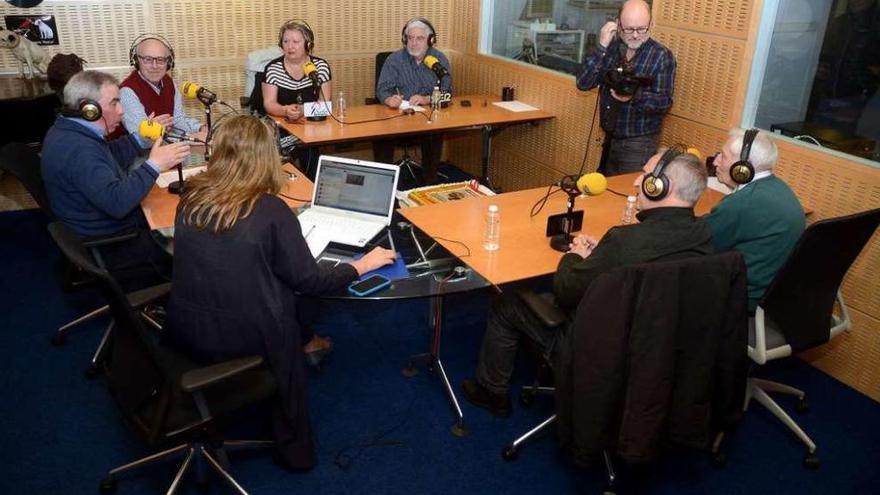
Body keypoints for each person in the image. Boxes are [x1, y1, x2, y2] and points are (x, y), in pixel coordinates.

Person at [165, 115, 396, 470]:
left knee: (282, 287)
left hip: (185, 327)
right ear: (265, 157)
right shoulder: (270, 210)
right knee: (297, 298)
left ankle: (308, 341)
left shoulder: (191, 195)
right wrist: (362, 265)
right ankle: (295, 449)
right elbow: (310, 282)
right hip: (243, 340)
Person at [461, 147, 712, 417]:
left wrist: (575, 256)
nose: (637, 182)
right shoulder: (705, 232)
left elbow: (566, 291)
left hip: (601, 347)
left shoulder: (624, 240)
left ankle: (491, 391)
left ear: (661, 187)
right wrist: (599, 257)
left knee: (506, 302)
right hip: (661, 347)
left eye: (646, 175)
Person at [41, 70, 191, 275]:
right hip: (113, 242)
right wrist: (155, 164)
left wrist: (141, 138)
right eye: (114, 103)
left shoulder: (69, 130)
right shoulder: (79, 150)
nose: (121, 111)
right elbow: (118, 203)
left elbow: (108, 155)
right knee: (192, 248)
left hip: (96, 226)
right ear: (89, 109)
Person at [705, 128, 805, 312]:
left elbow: (700, 245)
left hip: (744, 298)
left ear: (742, 167)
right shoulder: (779, 187)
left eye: (723, 156)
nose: (716, 160)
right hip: (773, 294)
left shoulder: (742, 203)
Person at [576, 0, 676, 176]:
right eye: (629, 29)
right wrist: (601, 46)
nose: (636, 35)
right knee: (606, 195)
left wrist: (634, 95)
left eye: (642, 29)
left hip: (639, 142)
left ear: (650, 25)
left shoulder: (661, 56)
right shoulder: (611, 50)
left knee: (626, 193)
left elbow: (664, 103)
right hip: (609, 137)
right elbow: (583, 83)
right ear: (617, 24)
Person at [373, 17, 452, 185]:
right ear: (405, 39)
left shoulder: (439, 60)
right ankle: (383, 183)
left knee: (435, 131)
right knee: (381, 134)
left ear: (430, 41)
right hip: (398, 117)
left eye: (420, 38)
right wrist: (389, 100)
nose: (414, 43)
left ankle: (429, 183)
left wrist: (427, 99)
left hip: (426, 119)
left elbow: (448, 93)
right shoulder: (395, 59)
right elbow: (382, 89)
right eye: (410, 38)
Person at [262, 20, 331, 176]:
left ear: (307, 44)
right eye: (286, 41)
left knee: (311, 159)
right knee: (281, 163)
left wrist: (304, 111)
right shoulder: (273, 69)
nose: (290, 46)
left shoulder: (320, 67)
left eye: (295, 42)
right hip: (282, 127)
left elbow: (325, 104)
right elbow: (269, 104)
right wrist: (285, 110)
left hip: (311, 126)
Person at [113, 34, 207, 141]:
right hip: (141, 155)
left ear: (169, 63)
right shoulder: (127, 92)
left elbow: (177, 119)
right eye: (148, 59)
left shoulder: (169, 83)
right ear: (136, 61)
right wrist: (192, 139)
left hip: (167, 147)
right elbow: (142, 138)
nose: (155, 66)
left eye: (161, 59)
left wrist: (200, 128)